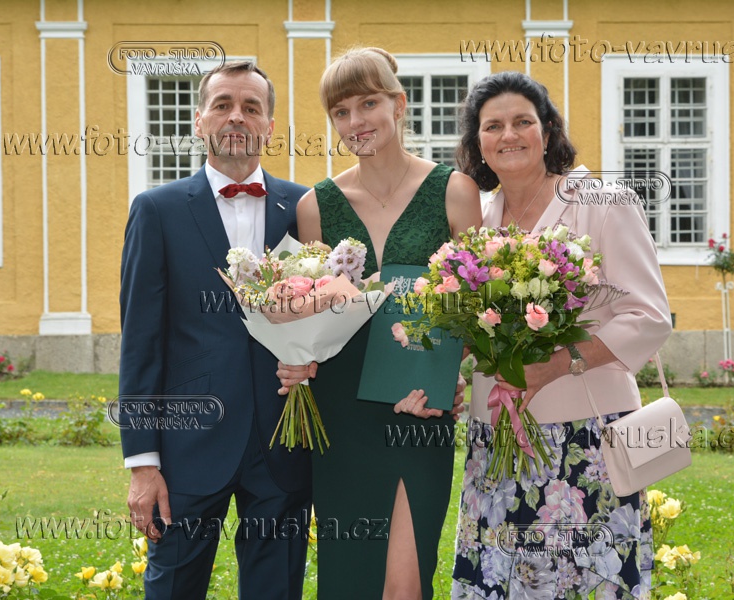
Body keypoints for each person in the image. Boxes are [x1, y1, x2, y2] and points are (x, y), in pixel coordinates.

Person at [450, 71, 672, 598]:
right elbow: (465, 323)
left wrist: (557, 363)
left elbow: (648, 315)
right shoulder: (477, 218)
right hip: (495, 439)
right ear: (478, 141)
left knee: (587, 584)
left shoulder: (601, 200)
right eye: (493, 126)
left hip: (587, 438)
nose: (509, 135)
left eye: (523, 122)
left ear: (548, 131)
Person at [284, 47, 481, 599]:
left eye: (368, 103)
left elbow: (476, 311)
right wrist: (297, 358)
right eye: (340, 111)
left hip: (418, 412)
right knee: (349, 581)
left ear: (398, 104)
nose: (355, 122)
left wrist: (447, 377)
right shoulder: (315, 206)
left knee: (405, 583)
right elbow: (311, 314)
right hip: (342, 414)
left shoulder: (455, 191)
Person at [119, 61, 312, 600]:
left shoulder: (304, 208)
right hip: (188, 446)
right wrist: (143, 463)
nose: (237, 117)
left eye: (252, 107)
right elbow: (140, 344)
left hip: (283, 444)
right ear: (199, 120)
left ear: (270, 125)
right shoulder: (156, 211)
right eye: (223, 104)